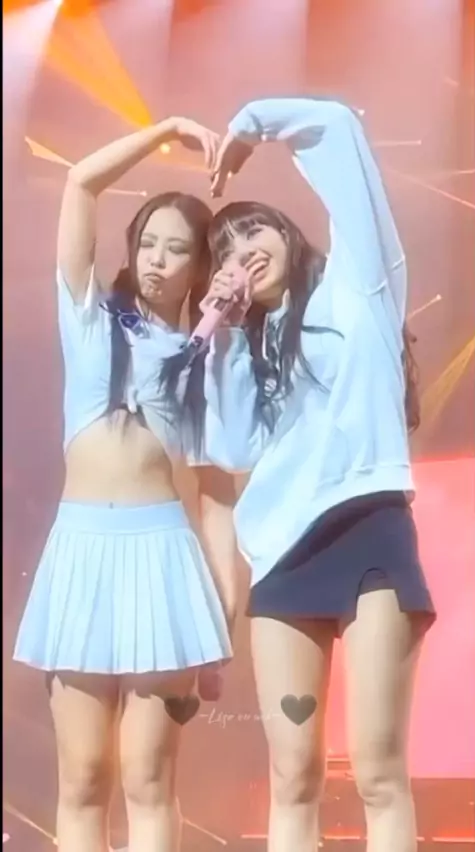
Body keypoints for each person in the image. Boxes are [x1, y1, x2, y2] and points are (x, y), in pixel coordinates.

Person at [200, 97, 436, 852]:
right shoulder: (248, 344)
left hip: (370, 532)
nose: (242, 255)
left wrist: (249, 126)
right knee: (292, 774)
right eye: (225, 251)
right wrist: (223, 337)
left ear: (287, 233)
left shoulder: (355, 285)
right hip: (283, 556)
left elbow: (338, 128)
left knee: (377, 769)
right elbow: (233, 446)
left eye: (253, 233)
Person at [13, 117, 237, 852]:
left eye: (177, 249)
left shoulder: (206, 359)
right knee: (82, 777)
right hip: (81, 554)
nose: (157, 260)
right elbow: (80, 181)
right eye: (148, 243)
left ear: (199, 267)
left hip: (162, 560)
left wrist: (224, 615)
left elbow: (216, 499)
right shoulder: (88, 317)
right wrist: (166, 128)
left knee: (148, 779)